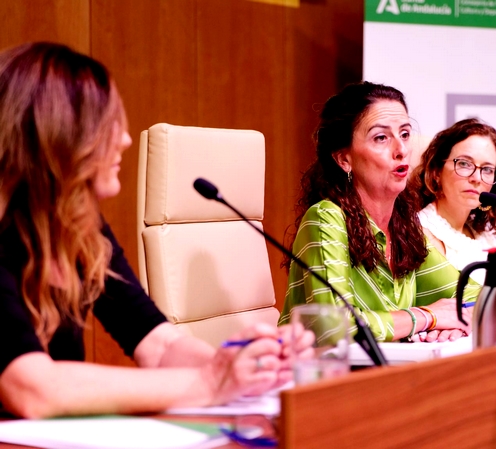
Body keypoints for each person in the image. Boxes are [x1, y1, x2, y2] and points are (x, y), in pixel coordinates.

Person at [0, 42, 310, 419]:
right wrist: (213, 381)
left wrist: (244, 366)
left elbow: (158, 345)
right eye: (108, 125)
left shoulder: (79, 228)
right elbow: (31, 388)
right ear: (59, 136)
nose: (125, 139)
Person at [279, 82, 478, 343]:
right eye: (381, 138)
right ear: (344, 159)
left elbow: (474, 297)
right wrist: (426, 317)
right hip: (323, 368)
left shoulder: (404, 226)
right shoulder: (326, 218)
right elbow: (335, 327)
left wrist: (457, 323)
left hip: (392, 366)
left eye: (405, 134)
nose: (401, 150)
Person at [411, 118, 496, 283]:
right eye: (464, 164)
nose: (476, 178)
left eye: (487, 169)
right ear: (436, 171)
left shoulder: (483, 237)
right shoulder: (420, 232)